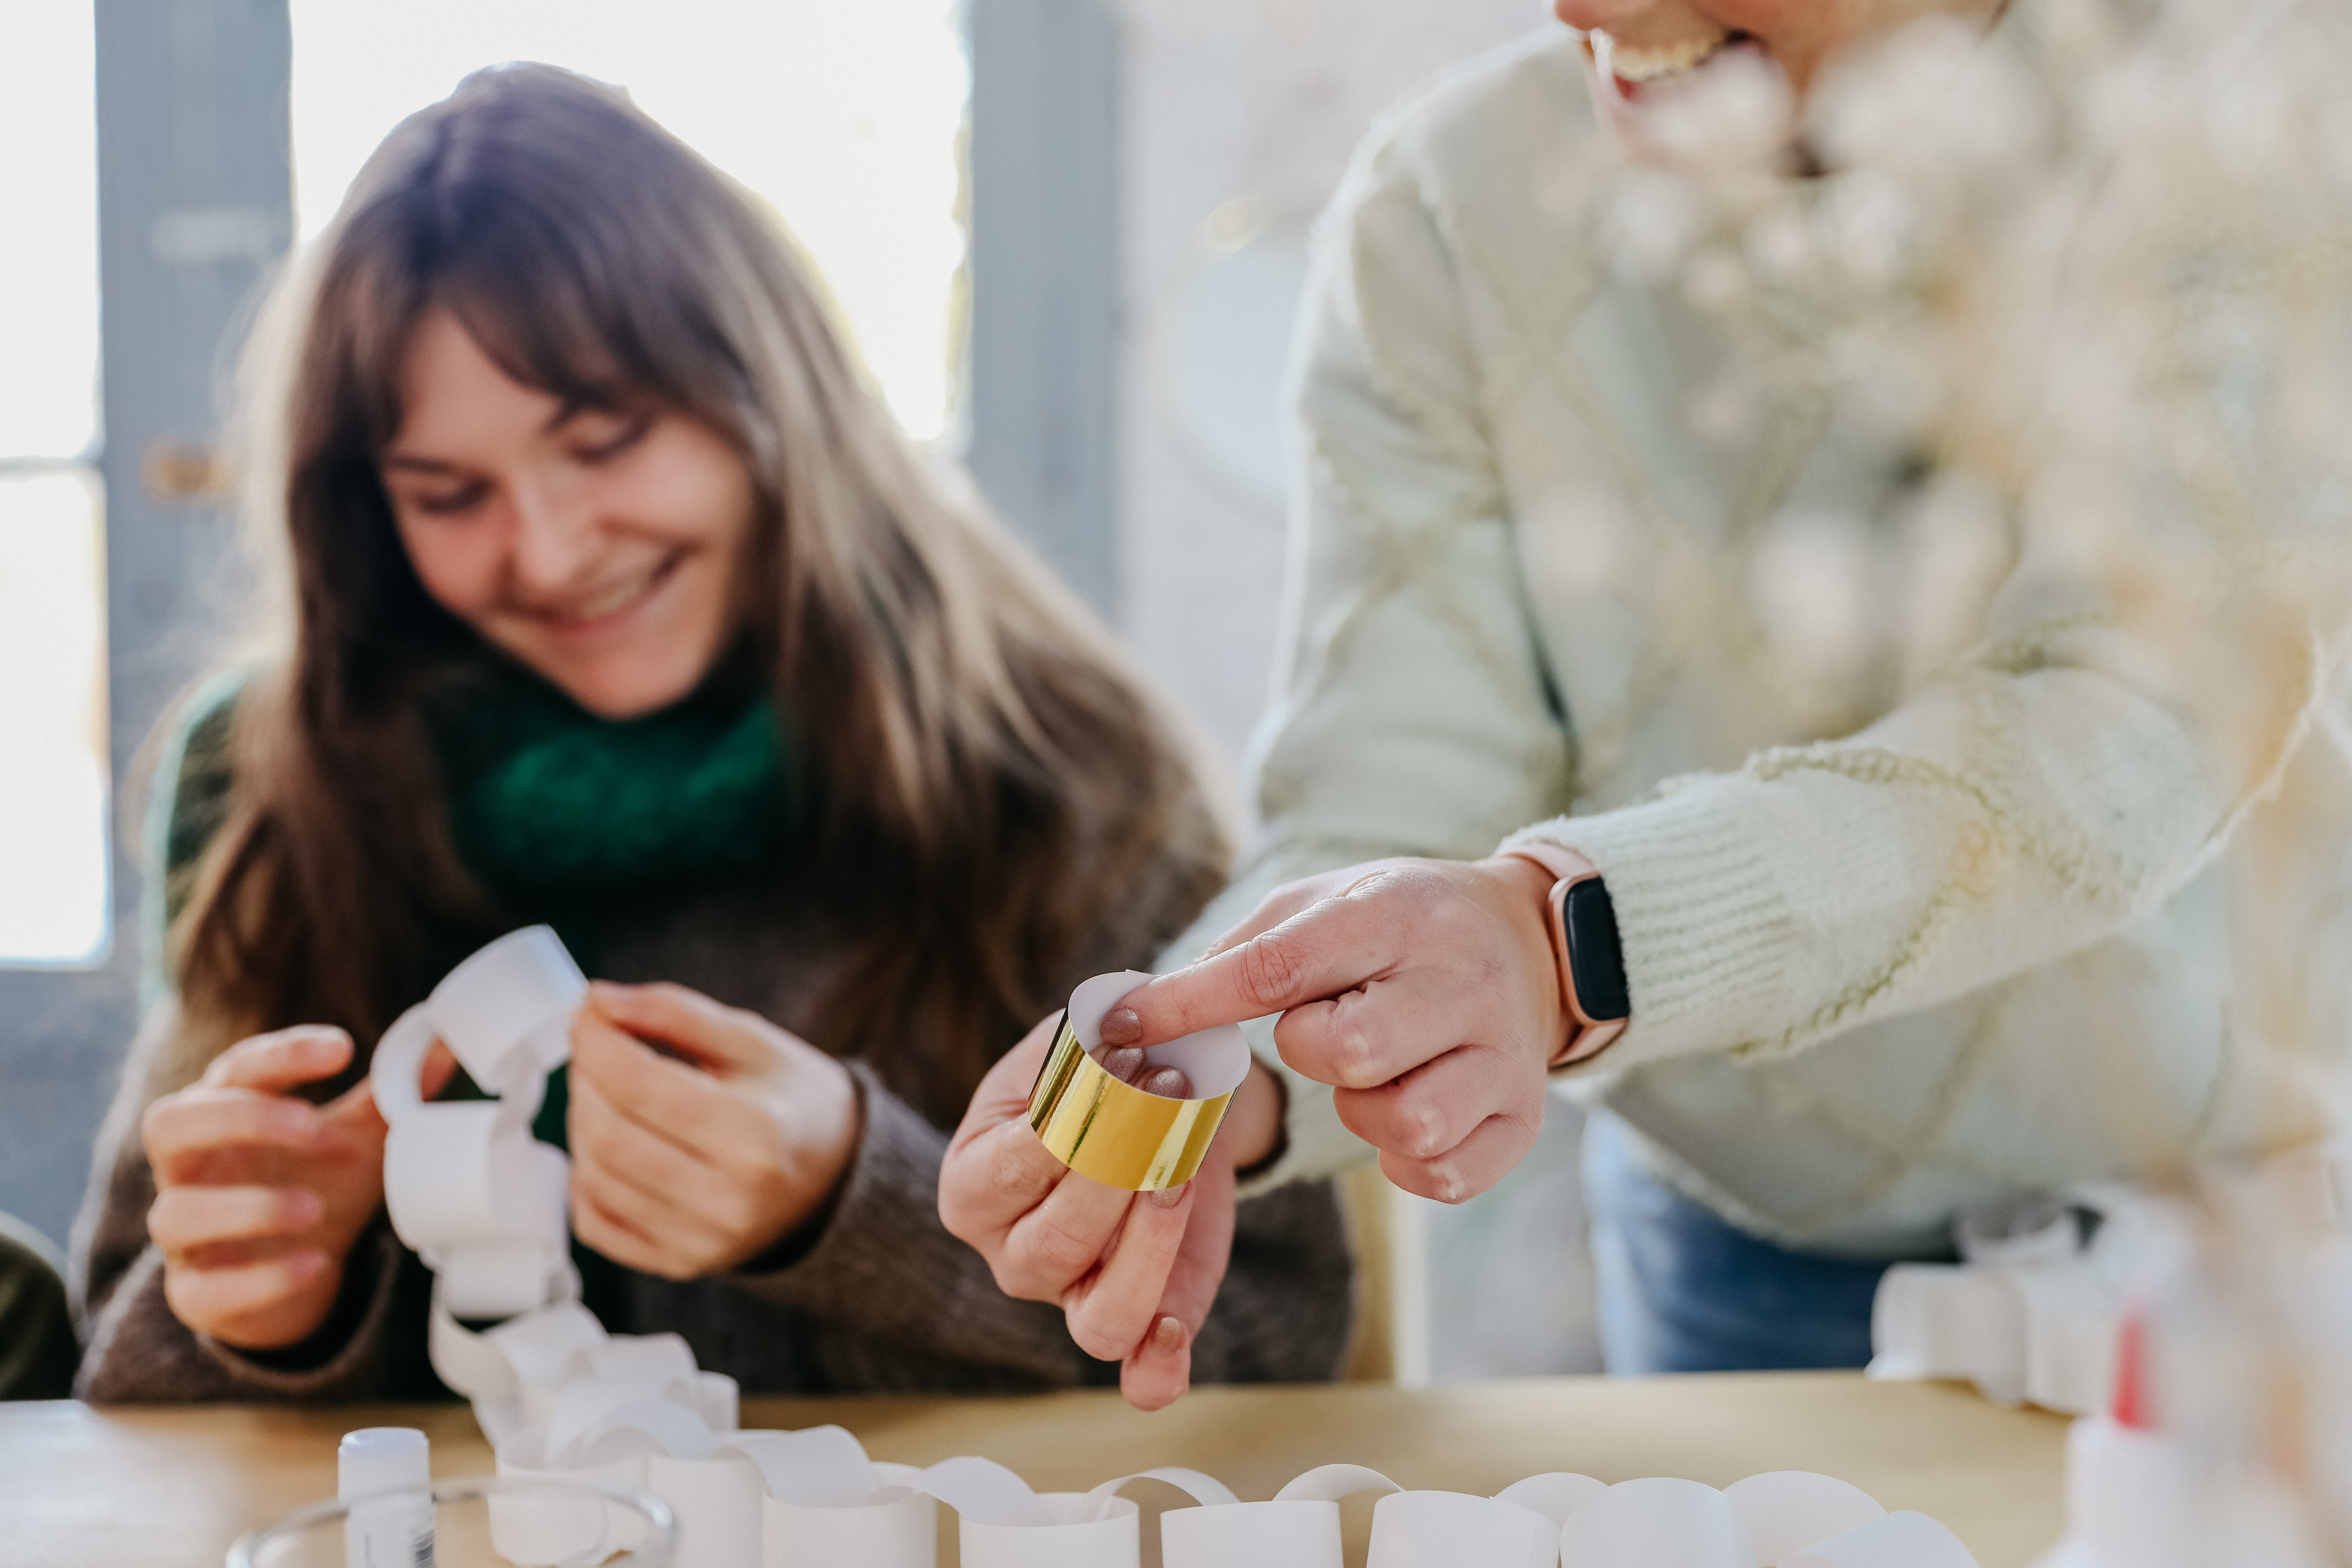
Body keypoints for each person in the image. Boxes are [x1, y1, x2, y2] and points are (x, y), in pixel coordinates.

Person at [944, 0, 2352, 1382]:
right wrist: (1206, 1076)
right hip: (1749, 1262)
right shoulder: (1448, 211)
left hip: (2249, 1238)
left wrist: (1571, 945)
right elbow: (1388, 815)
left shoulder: (2241, 123)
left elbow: (2128, 726)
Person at [71, 64, 1348, 1412]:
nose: (552, 553)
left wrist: (854, 1208)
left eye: (607, 441)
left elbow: (1267, 1334)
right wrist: (267, 1308)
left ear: (769, 400)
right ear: (365, 514)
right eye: (449, 495)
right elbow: (116, 1372)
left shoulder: (1057, 764)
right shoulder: (280, 776)